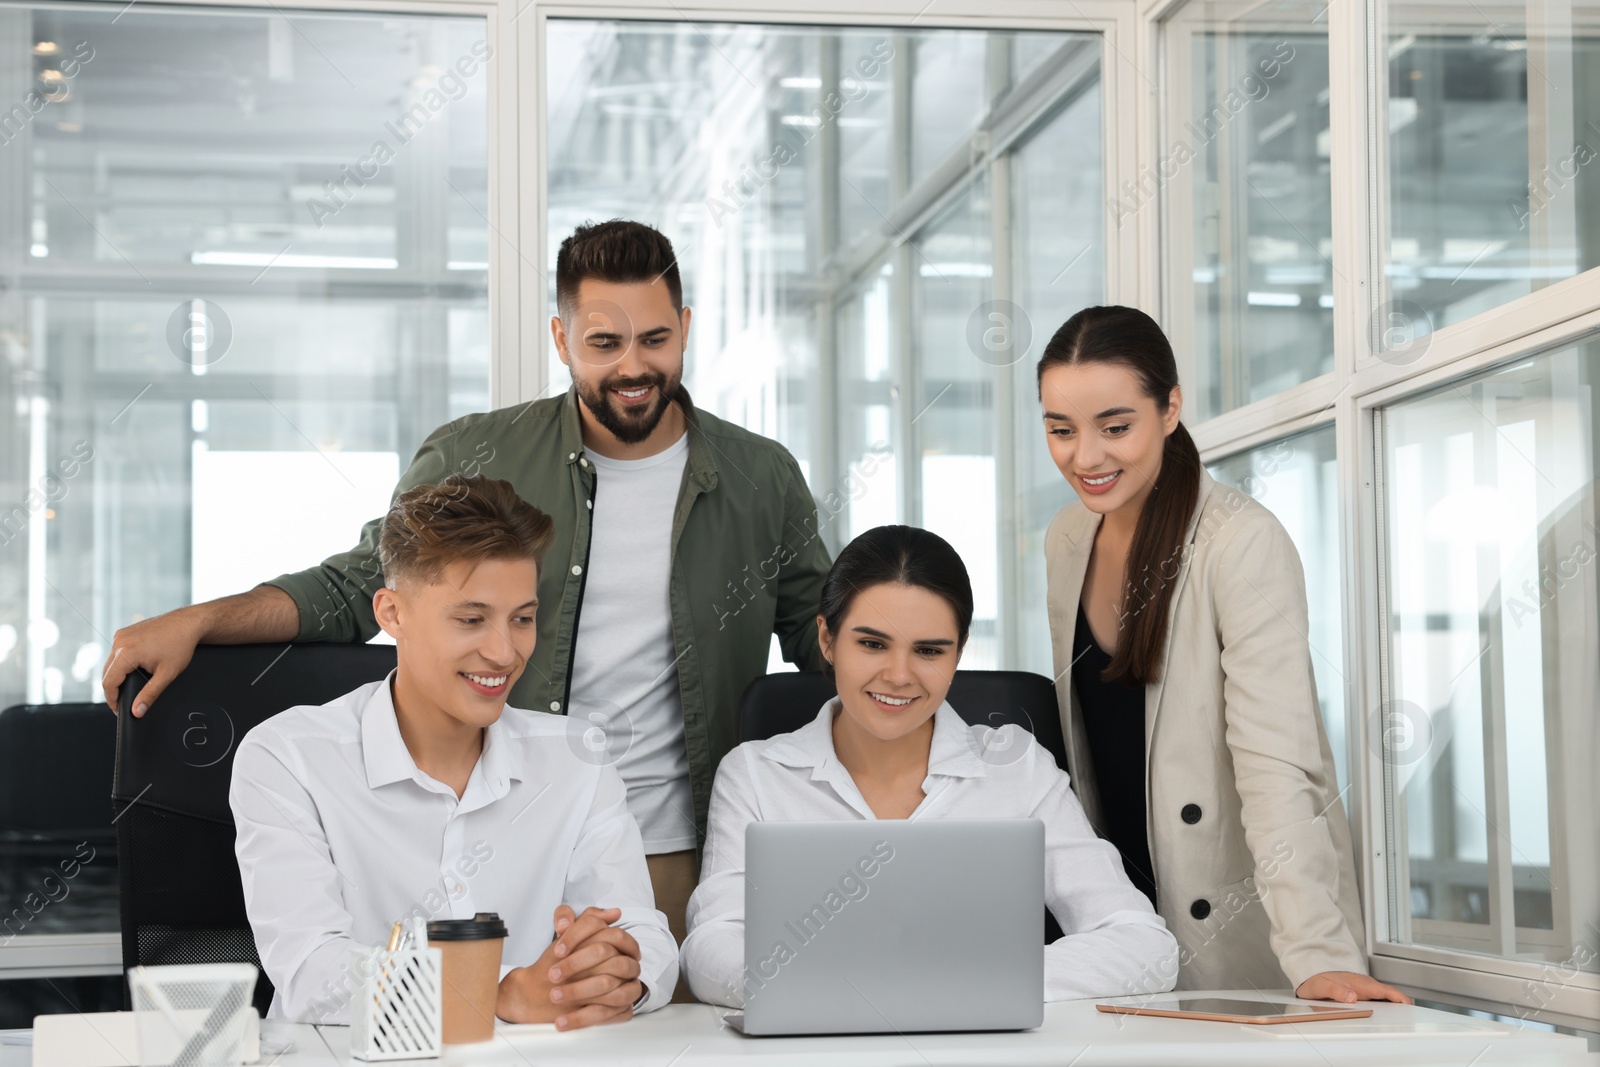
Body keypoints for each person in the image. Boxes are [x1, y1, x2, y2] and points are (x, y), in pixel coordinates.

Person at [103, 220, 832, 979]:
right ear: (560, 337)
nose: (634, 365)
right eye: (604, 343)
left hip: (683, 851)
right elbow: (363, 584)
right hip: (515, 835)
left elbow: (827, 638)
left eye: (654, 338)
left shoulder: (762, 477)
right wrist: (202, 619)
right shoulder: (475, 453)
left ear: (684, 329)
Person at [1036, 304, 1410, 1003]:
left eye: (1115, 427)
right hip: (1120, 930)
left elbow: (1276, 762)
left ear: (1170, 408)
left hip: (1237, 926)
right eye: (1061, 429)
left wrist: (1318, 951)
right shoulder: (1065, 539)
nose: (1085, 456)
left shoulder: (1241, 542)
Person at [230, 475, 676, 1029]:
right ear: (391, 614)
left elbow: (645, 938)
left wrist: (610, 972)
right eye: (471, 619)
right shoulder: (288, 757)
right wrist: (498, 994)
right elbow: (313, 976)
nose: (504, 652)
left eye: (523, 618)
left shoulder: (578, 756)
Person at [680, 525, 1179, 1007]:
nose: (898, 675)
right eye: (872, 644)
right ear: (827, 640)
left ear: (959, 653)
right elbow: (710, 949)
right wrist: (843, 990)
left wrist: (967, 982)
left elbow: (1142, 944)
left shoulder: (1016, 767)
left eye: (928, 651)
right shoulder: (755, 774)